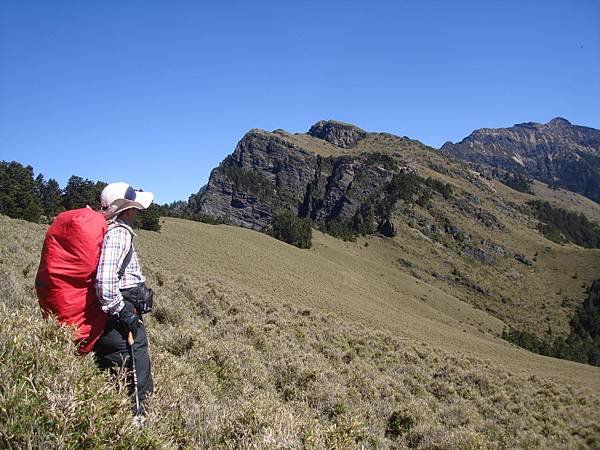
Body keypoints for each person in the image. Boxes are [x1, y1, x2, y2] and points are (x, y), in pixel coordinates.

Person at [93, 182, 155, 418]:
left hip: (114, 317)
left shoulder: (110, 231)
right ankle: (135, 427)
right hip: (120, 320)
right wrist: (125, 314)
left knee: (120, 376)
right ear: (126, 210)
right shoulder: (118, 233)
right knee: (135, 380)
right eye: (134, 208)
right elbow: (105, 283)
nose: (136, 213)